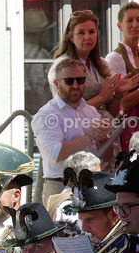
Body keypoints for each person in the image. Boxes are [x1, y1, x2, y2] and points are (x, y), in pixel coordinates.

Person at [33, 58, 111, 196]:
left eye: (80, 80)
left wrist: (104, 139)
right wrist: (90, 136)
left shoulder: (90, 111)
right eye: (69, 81)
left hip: (91, 184)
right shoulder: (47, 114)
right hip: (60, 185)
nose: (76, 85)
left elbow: (108, 156)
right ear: (56, 83)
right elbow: (55, 154)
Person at [47, 9, 130, 118]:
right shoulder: (61, 66)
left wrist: (118, 95)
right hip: (77, 131)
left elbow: (111, 112)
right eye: (81, 33)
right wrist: (100, 98)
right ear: (71, 37)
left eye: (91, 32)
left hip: (107, 130)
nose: (87, 37)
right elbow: (65, 111)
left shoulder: (103, 64)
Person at [104, 2, 139, 151]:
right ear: (119, 26)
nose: (135, 24)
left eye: (138, 20)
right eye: (129, 20)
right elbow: (123, 104)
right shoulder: (115, 58)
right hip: (128, 127)